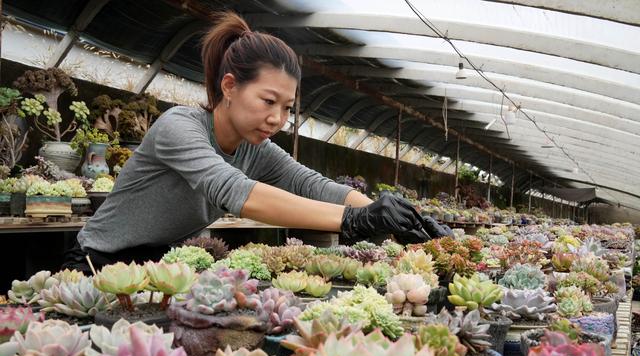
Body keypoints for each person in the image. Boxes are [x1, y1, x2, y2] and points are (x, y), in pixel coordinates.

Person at [62, 11, 449, 273]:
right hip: (98, 262)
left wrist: (398, 217)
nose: (277, 119)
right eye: (268, 101)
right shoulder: (179, 127)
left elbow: (311, 184)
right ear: (229, 86)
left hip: (162, 265)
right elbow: (235, 191)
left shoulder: (254, 147)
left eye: (286, 108)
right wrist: (355, 221)